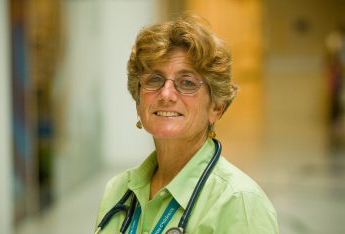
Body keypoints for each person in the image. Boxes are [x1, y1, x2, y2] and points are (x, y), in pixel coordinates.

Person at [95, 15, 279, 234]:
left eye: (187, 83)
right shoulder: (117, 191)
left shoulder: (239, 202)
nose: (166, 94)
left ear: (216, 107)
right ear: (138, 100)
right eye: (154, 79)